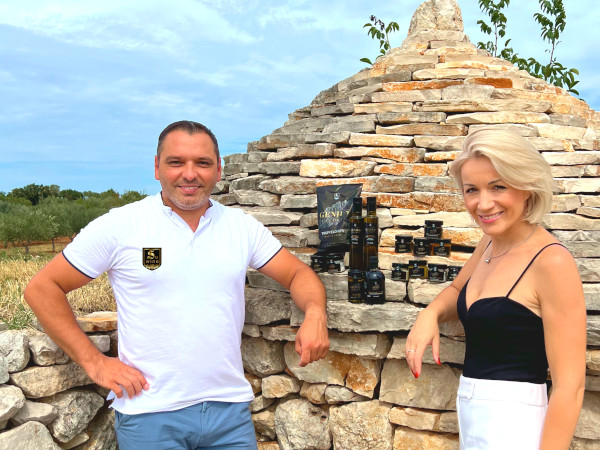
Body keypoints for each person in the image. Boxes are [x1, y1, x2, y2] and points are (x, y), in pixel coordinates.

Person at [24, 120, 330, 450]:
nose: (189, 173)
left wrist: (315, 313)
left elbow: (299, 274)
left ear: (218, 170)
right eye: (176, 162)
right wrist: (93, 362)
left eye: (202, 163)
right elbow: (42, 288)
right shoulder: (121, 225)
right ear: (157, 167)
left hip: (230, 414)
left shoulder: (241, 228)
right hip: (149, 415)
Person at [405, 128, 586, 449]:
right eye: (471, 189)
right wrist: (430, 314)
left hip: (517, 430)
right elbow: (458, 290)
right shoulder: (490, 242)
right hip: (473, 419)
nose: (483, 203)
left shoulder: (552, 262)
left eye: (498, 187)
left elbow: (569, 388)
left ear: (526, 187)